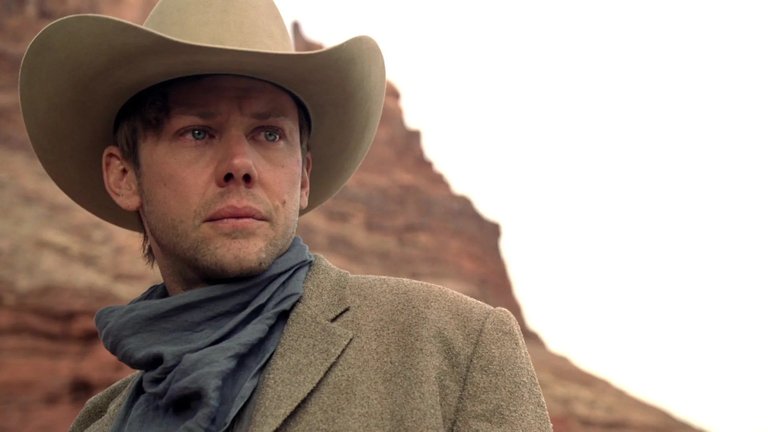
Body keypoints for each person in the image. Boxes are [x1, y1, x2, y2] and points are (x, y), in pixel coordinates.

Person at [19, 0, 552, 430]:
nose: (240, 165)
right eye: (198, 132)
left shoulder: (453, 349)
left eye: (269, 134)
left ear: (303, 177)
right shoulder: (102, 423)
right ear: (124, 176)